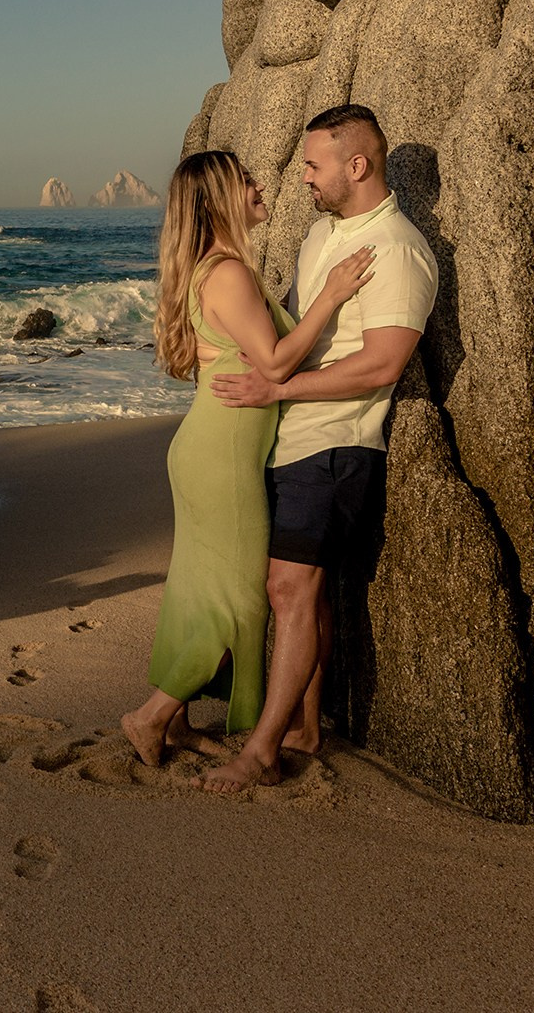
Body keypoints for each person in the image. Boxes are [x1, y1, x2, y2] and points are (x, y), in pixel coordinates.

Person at [198, 103, 437, 792]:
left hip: (337, 444)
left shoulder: (398, 247)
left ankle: (262, 749)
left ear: (355, 165)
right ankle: (304, 725)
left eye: (312, 163)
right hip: (289, 438)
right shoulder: (321, 236)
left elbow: (383, 364)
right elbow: (295, 327)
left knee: (289, 586)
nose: (301, 176)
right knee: (305, 593)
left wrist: (279, 392)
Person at [119, 149, 373, 767]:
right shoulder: (226, 272)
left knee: (199, 589)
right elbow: (277, 363)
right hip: (222, 456)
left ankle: (173, 721)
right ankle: (150, 715)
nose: (261, 186)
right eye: (245, 181)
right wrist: (333, 295)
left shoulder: (222, 269)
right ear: (217, 200)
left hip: (214, 447)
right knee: (237, 598)